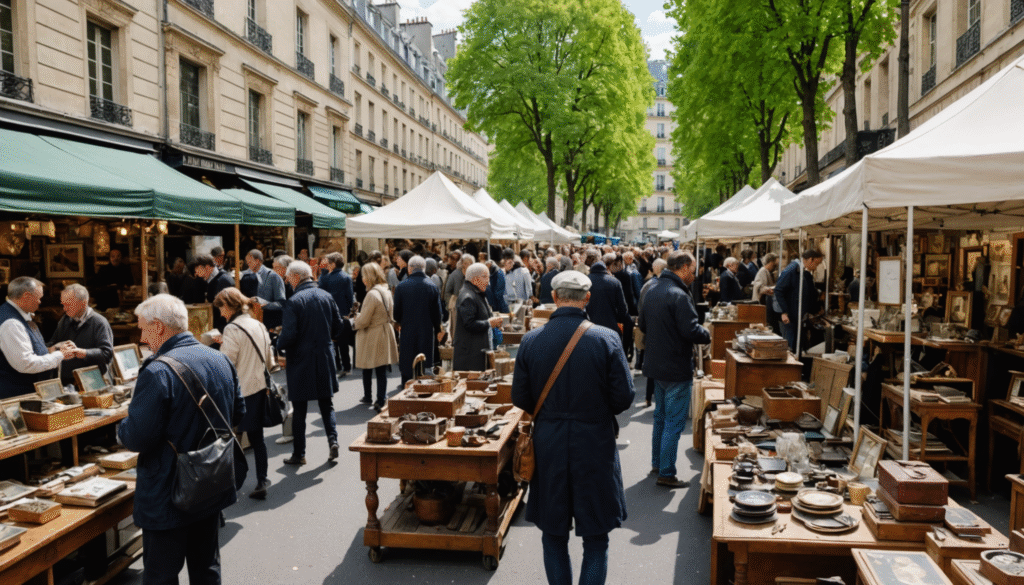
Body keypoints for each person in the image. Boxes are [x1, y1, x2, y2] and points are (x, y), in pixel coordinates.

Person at [511, 270, 634, 585]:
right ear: (587, 298)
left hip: (549, 441)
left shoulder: (531, 340)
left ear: (554, 297)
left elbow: (520, 397)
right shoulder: (606, 338)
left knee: (554, 535)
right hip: (594, 442)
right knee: (596, 536)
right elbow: (623, 397)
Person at [117, 294, 244, 585]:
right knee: (206, 569)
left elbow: (136, 437)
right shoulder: (219, 358)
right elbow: (238, 414)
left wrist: (123, 426)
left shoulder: (158, 370)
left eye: (143, 327)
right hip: (210, 481)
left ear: (158, 327)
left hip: (168, 490)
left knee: (162, 575)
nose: (141, 335)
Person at [639, 251, 710, 488]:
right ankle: (666, 472)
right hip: (675, 365)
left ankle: (658, 464)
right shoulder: (678, 294)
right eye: (693, 268)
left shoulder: (652, 288)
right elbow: (691, 330)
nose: (695, 273)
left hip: (656, 364)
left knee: (661, 418)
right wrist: (707, 332)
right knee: (673, 421)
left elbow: (645, 324)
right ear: (683, 267)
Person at [275, 261, 343, 465]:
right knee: (326, 403)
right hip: (323, 355)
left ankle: (299, 454)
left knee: (300, 409)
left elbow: (289, 335)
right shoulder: (325, 295)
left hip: (300, 359)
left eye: (288, 278)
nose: (287, 282)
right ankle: (333, 440)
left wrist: (279, 342)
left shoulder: (294, 301)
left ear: (296, 277)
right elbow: (339, 325)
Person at [213, 288, 273, 500]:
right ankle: (261, 479)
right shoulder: (258, 323)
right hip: (258, 387)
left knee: (229, 440)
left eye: (221, 308)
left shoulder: (232, 329)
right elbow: (270, 359)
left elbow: (226, 363)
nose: (221, 313)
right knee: (258, 440)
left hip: (239, 391)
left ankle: (228, 486)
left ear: (229, 306)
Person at [0, 277, 75, 398]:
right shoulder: (11, 323)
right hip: (17, 396)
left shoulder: (19, 316)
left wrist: (52, 349)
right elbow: (26, 363)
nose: (40, 302)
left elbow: (27, 350)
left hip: (27, 395)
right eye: (38, 298)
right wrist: (61, 355)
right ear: (26, 296)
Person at [352, 262, 399, 409]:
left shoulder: (371, 294)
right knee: (381, 369)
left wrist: (354, 322)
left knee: (367, 366)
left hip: (373, 333)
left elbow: (364, 320)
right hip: (384, 330)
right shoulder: (385, 291)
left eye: (364, 276)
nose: (363, 279)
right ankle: (380, 397)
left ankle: (370, 396)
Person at [47, 284, 114, 386]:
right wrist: (54, 348)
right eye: (63, 304)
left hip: (92, 382)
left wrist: (82, 352)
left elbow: (107, 354)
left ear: (83, 303)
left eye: (68, 304)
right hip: (67, 381)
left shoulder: (99, 322)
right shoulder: (65, 320)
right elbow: (53, 343)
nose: (64, 309)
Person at [393, 256, 443, 386]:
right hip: (426, 330)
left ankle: (406, 387)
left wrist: (398, 322)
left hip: (407, 328)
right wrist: (438, 328)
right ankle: (423, 392)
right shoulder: (432, 286)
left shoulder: (401, 286)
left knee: (407, 362)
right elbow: (437, 313)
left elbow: (396, 311)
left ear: (409, 269)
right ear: (424, 268)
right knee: (424, 363)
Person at [773, 249, 824, 352]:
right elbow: (778, 290)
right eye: (817, 263)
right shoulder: (792, 270)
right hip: (789, 316)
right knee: (790, 346)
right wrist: (784, 312)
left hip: (795, 315)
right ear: (810, 260)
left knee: (794, 345)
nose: (816, 267)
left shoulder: (799, 270)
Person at [454, 263, 502, 371]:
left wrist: (495, 323)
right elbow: (469, 324)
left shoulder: (477, 293)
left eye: (488, 277)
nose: (488, 282)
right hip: (470, 357)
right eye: (485, 277)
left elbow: (485, 316)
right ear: (475, 279)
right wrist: (489, 323)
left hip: (476, 353)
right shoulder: (468, 297)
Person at [637, 258, 667, 406]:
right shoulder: (669, 286)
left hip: (650, 330)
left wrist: (644, 327)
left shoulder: (647, 286)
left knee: (651, 365)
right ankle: (657, 396)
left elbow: (641, 309)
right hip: (664, 331)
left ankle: (649, 397)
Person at [319, 253, 355, 375]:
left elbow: (321, 292)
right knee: (343, 342)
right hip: (343, 313)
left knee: (332, 342)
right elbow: (350, 297)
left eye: (328, 263)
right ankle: (346, 367)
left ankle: (336, 365)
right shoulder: (346, 277)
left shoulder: (326, 278)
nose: (327, 265)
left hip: (329, 313)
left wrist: (323, 273)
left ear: (333, 264)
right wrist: (351, 311)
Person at [586, 254, 630, 344]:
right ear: (606, 268)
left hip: (588, 325)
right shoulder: (614, 282)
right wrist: (618, 320)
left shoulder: (585, 281)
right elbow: (622, 308)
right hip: (610, 326)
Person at [195, 253, 235, 332]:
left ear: (207, 267)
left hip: (224, 329)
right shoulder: (210, 280)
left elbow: (228, 310)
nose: (198, 275)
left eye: (198, 270)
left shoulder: (223, 280)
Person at [752, 253, 780, 333]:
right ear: (771, 262)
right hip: (762, 303)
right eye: (774, 264)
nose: (775, 266)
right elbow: (758, 286)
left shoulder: (767, 271)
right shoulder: (763, 271)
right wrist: (768, 289)